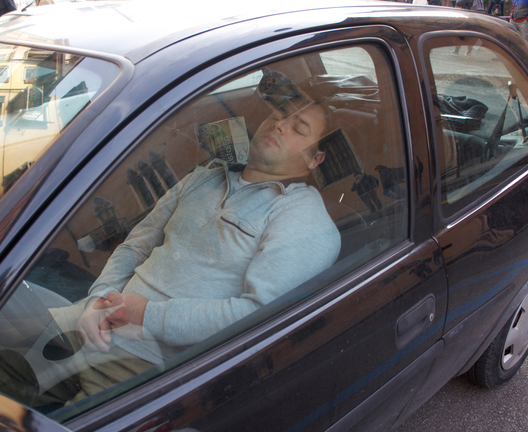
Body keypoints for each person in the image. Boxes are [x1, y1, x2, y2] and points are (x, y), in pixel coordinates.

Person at [48, 74, 343, 403]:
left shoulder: (303, 219)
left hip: (143, 363)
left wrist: (147, 315)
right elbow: (135, 245)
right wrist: (98, 298)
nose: (279, 126)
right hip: (89, 320)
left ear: (315, 159)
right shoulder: (205, 177)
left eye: (299, 129)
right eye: (277, 116)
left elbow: (258, 315)